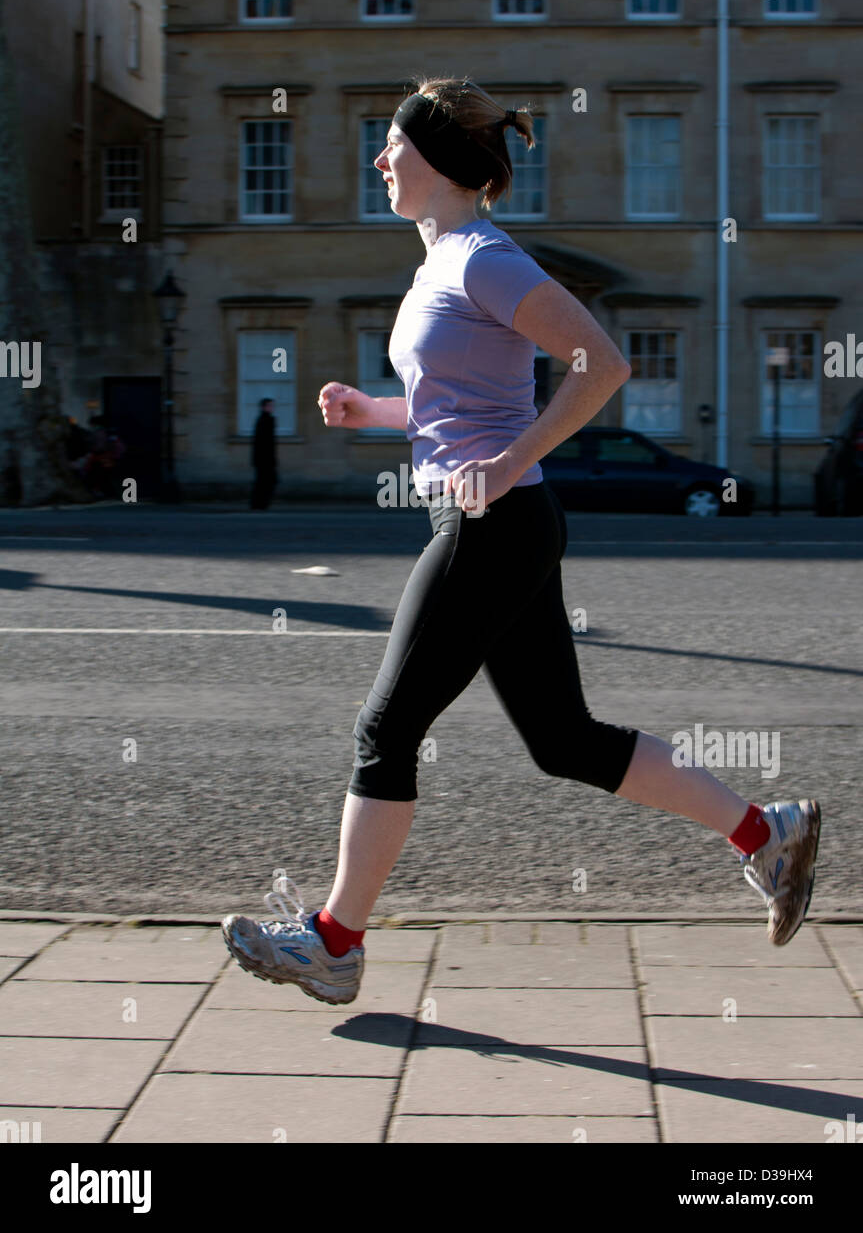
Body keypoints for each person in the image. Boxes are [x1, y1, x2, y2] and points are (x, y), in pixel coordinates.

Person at [222, 76, 821, 1005]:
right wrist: (373, 412)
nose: (380, 159)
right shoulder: (438, 264)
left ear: (439, 162)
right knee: (563, 738)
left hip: (492, 522)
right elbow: (456, 406)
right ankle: (764, 832)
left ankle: (334, 942)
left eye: (392, 145)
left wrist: (507, 463)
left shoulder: (481, 259)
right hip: (494, 516)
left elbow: (601, 364)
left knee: (386, 727)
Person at [249, 398, 277, 509]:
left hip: (265, 458)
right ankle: (259, 503)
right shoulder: (264, 421)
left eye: (272, 406)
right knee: (264, 482)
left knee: (263, 482)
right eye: (269, 406)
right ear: (264, 407)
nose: (271, 408)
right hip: (264, 459)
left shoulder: (267, 420)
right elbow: (262, 443)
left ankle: (259, 503)